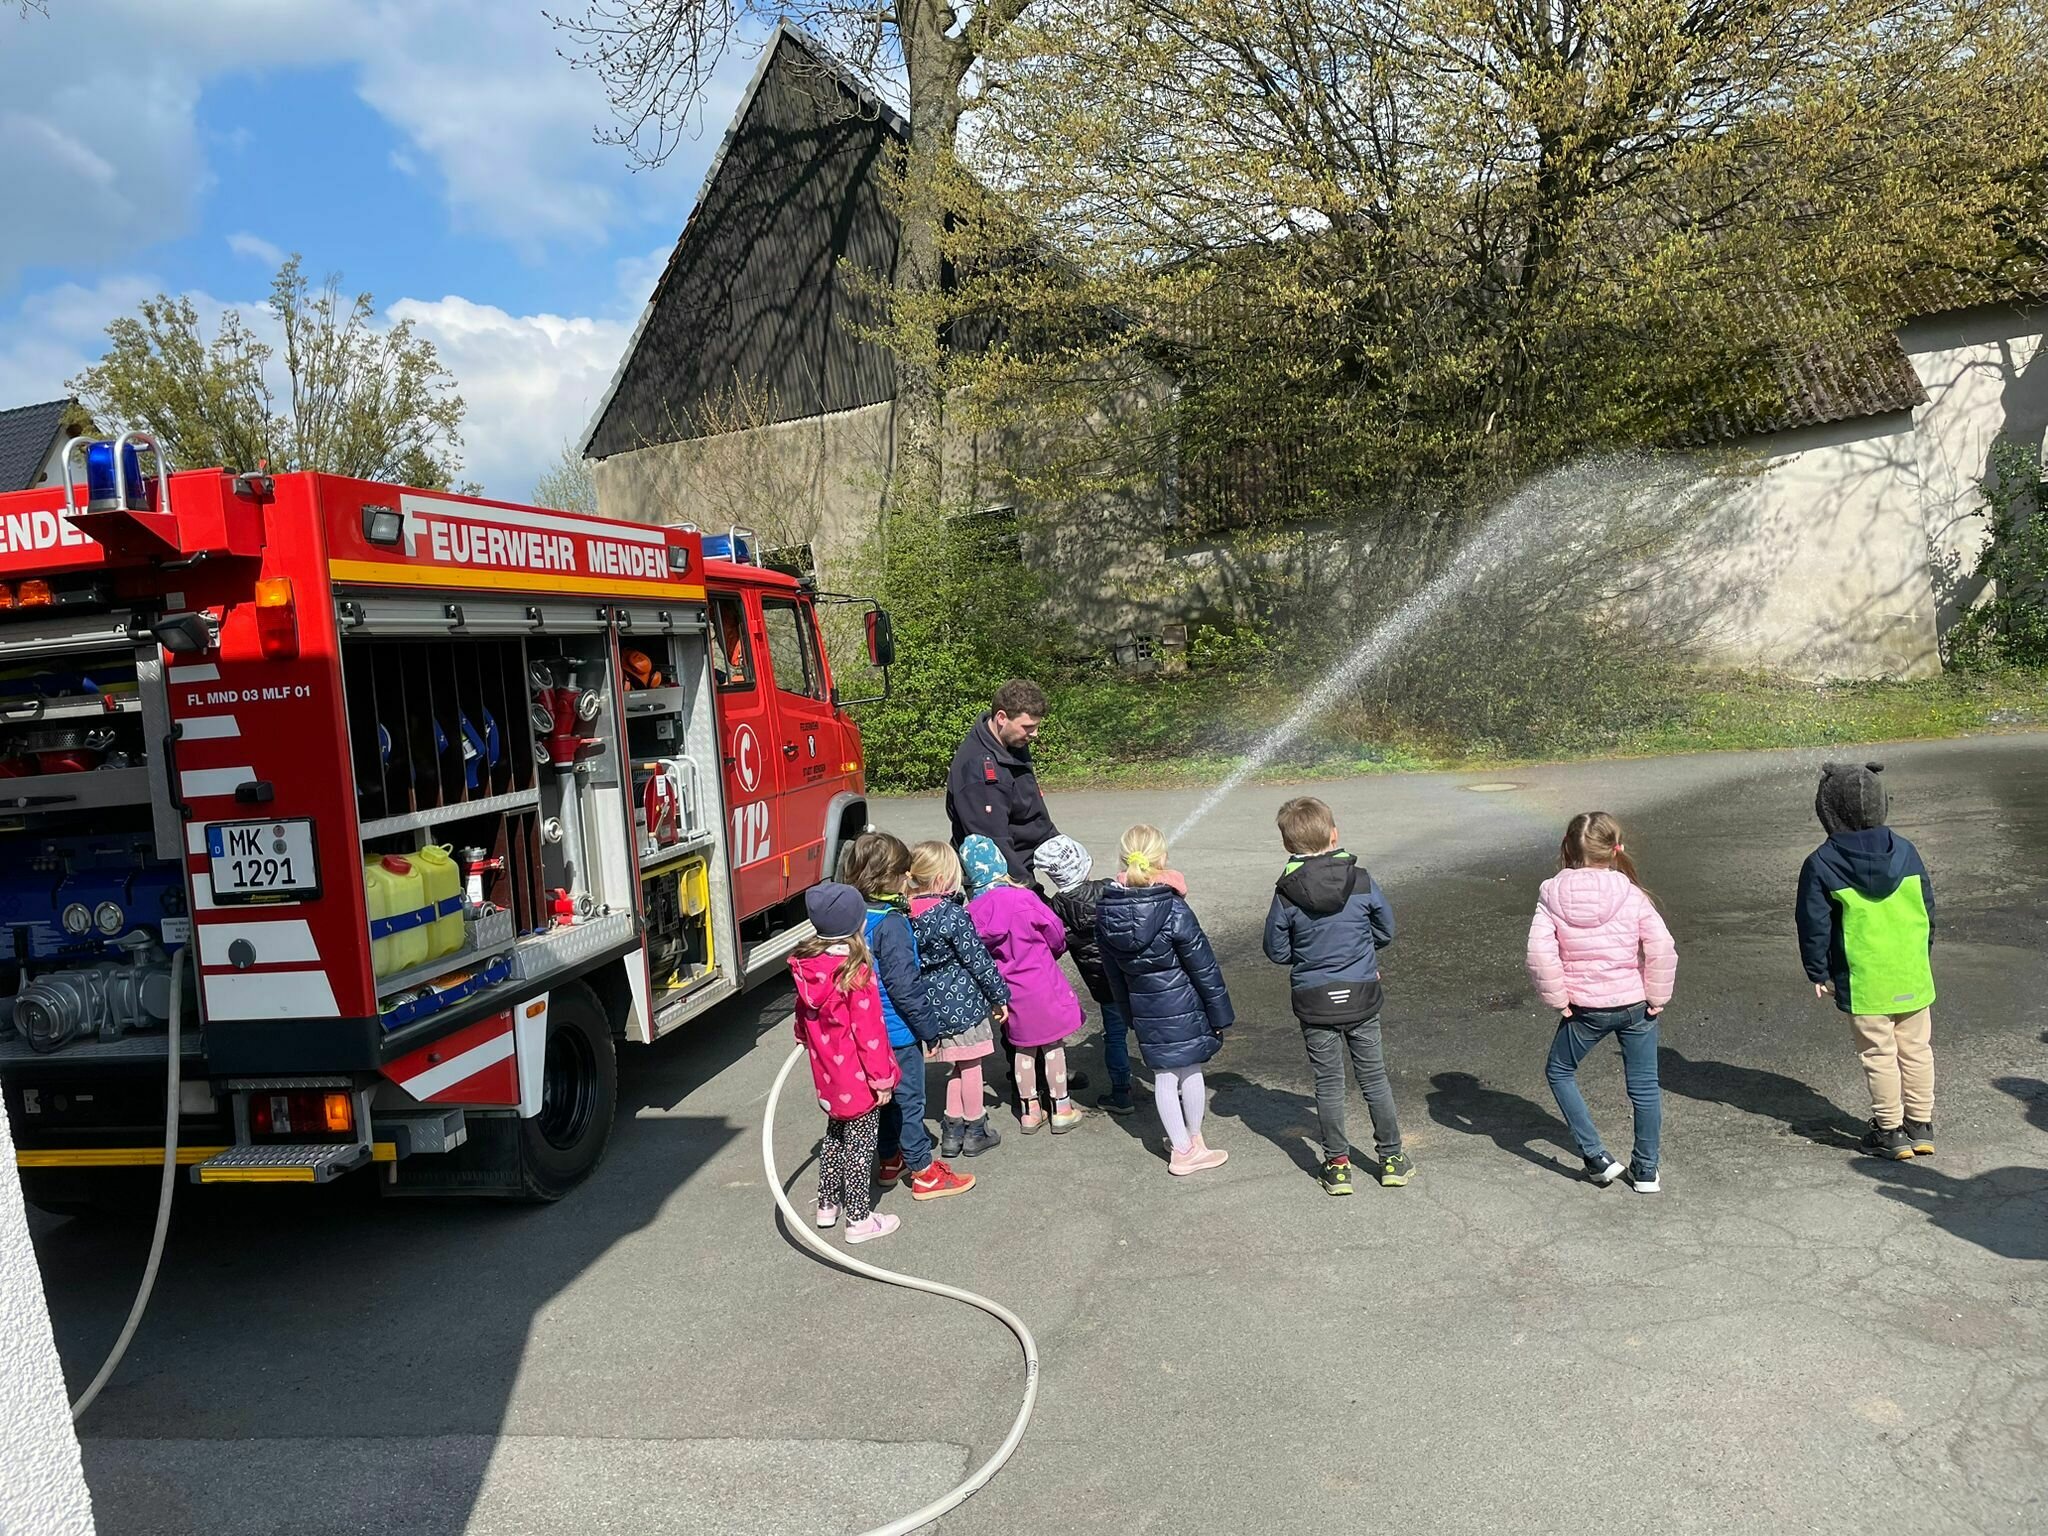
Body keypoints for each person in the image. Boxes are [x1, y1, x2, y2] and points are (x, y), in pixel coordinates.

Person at [1262, 796, 1412, 1196]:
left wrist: (1308, 958)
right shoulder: (1360, 880)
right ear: (1334, 835)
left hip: (1314, 999)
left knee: (1328, 1083)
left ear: (1288, 846)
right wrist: (1361, 954)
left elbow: (1276, 950)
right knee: (1374, 1078)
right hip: (1362, 991)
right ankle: (1393, 1159)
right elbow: (1385, 929)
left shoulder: (1286, 892)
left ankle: (1337, 1165)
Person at [1525, 811, 1678, 1193]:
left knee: (1560, 1071)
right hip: (1635, 1004)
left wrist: (1558, 998)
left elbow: (1540, 953)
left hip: (1585, 1009)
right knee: (1644, 1086)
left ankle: (1596, 1157)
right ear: (1615, 849)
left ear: (1567, 846)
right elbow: (1661, 947)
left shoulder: (1551, 894)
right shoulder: (1630, 893)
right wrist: (1656, 996)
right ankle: (1645, 1170)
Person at [1797, 761, 1938, 1161]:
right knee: (1916, 1049)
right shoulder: (1906, 851)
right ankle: (1921, 1125)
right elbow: (1927, 910)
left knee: (1879, 1055)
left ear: (1828, 810)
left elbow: (1813, 923)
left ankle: (1890, 1130)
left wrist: (1818, 970)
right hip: (1911, 969)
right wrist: (1923, 953)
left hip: (1864, 977)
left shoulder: (1821, 863)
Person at [840, 832, 975, 1201]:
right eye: (903, 873)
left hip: (865, 1031)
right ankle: (923, 1171)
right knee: (909, 1101)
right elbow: (904, 985)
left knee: (883, 1101)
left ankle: (889, 1160)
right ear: (890, 876)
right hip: (897, 1031)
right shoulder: (893, 924)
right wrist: (928, 1029)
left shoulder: (854, 915)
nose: (907, 880)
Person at [1096, 825, 1235, 1175]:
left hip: (1145, 1009)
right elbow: (1204, 967)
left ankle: (1183, 1145)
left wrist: (1129, 1015)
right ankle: (1190, 1145)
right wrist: (1220, 1014)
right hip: (1184, 1006)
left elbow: (1113, 975)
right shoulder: (1173, 908)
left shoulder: (1106, 912)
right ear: (1162, 859)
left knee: (1164, 1075)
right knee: (1190, 1070)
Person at [789, 883, 902, 1244]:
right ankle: (859, 1218)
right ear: (857, 925)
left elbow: (802, 1014)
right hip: (857, 1078)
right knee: (861, 1144)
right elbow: (869, 1035)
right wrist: (882, 1079)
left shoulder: (810, 969)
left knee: (835, 1136)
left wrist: (804, 1037)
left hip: (827, 1075)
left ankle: (827, 1204)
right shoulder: (854, 973)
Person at [960, 835, 1086, 1133]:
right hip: (1042, 981)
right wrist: (1050, 951)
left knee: (1023, 1049)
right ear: (1000, 865)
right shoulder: (1023, 898)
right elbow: (1055, 931)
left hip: (1010, 991)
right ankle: (1062, 1107)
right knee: (1053, 1046)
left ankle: (1030, 1110)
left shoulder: (973, 912)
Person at [907, 841, 1010, 1159]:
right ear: (941, 879)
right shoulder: (952, 915)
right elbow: (977, 959)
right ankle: (976, 1127)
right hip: (964, 1003)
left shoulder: (905, 915)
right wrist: (999, 996)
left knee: (956, 1066)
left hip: (934, 1008)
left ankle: (951, 1130)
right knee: (972, 1066)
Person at [1036, 835, 1135, 1115]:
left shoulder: (1056, 908)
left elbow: (1054, 944)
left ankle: (1121, 1093)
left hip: (1104, 985)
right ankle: (1169, 1081)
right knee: (1151, 1029)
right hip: (1133, 975)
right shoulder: (1109, 888)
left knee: (1114, 1036)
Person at [946, 679, 1058, 884]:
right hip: (1000, 878)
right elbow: (994, 843)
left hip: (1022, 861)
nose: (1034, 734)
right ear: (1001, 717)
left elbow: (1032, 806)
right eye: (1027, 727)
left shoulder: (1010, 741)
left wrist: (1060, 845)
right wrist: (1030, 891)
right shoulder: (979, 771)